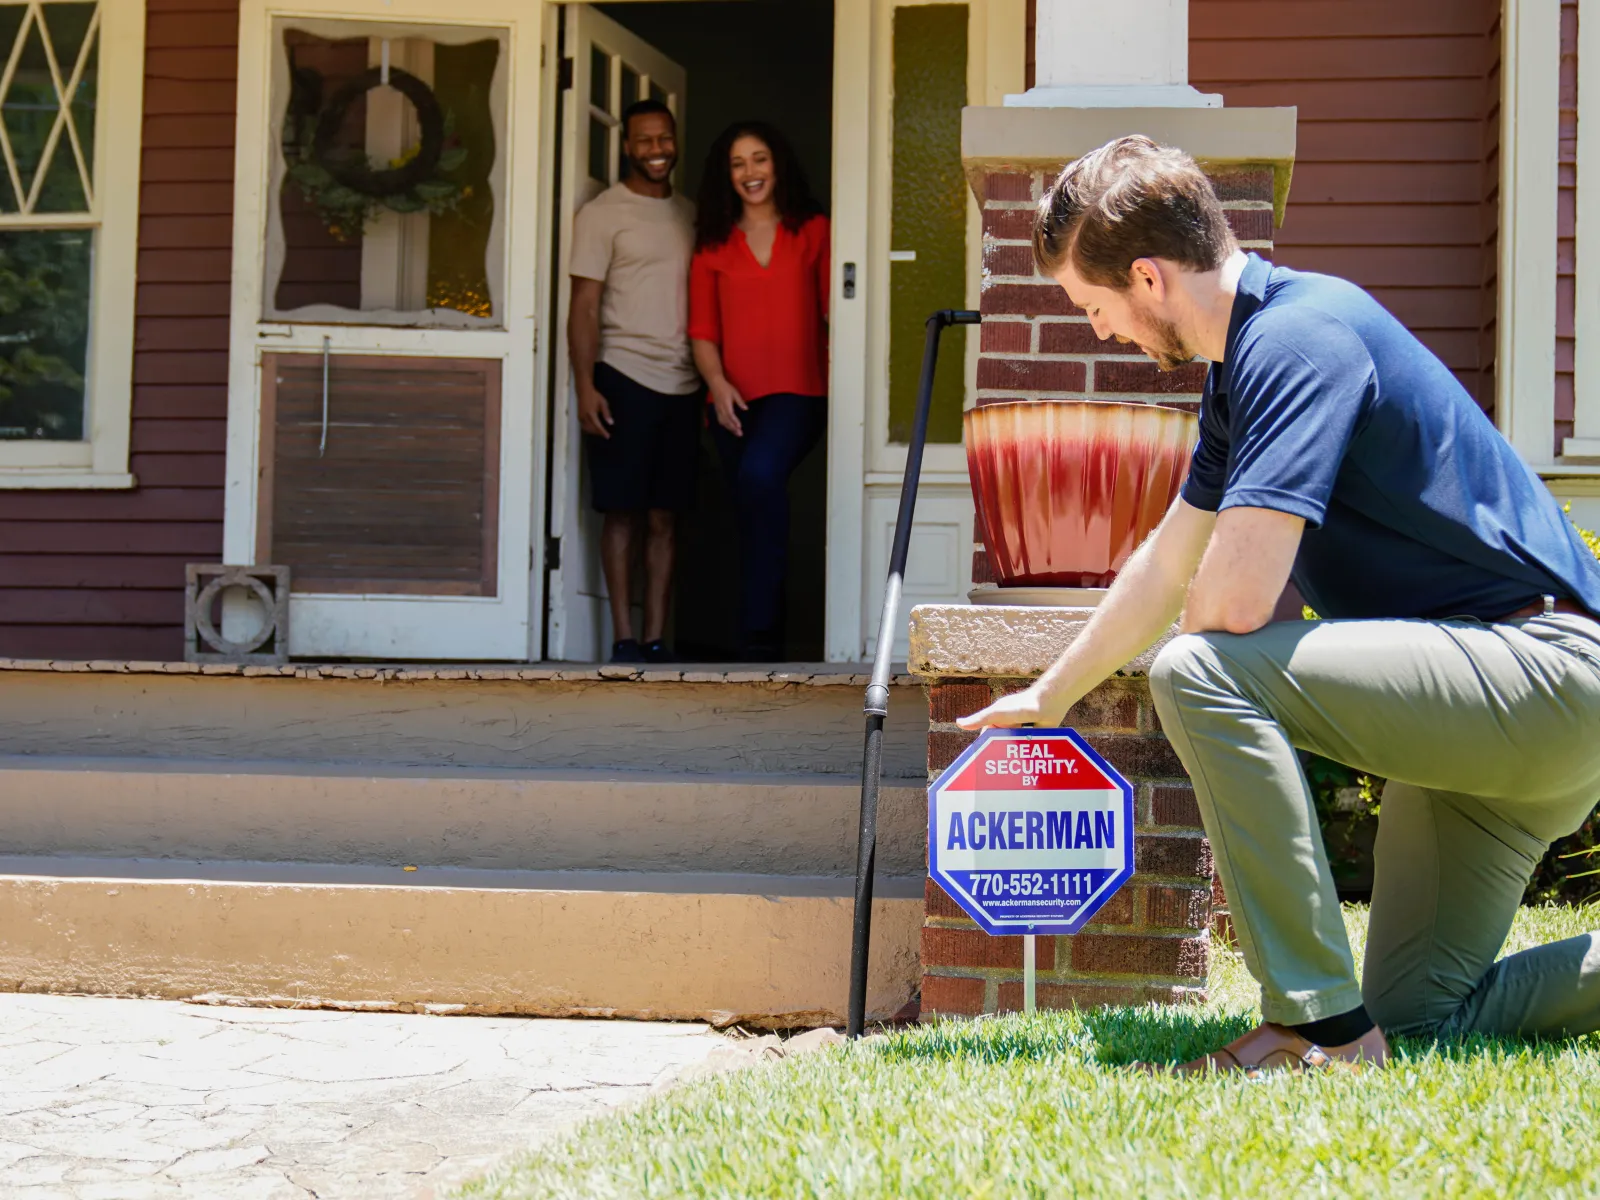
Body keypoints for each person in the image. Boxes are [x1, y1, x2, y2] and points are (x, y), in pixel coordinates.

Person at [959, 135, 1600, 1075]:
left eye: (1094, 309)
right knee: (1423, 1015)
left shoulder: (1300, 340)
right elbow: (1166, 564)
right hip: (1481, 724)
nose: (1100, 333)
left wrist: (1200, 682)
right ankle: (1364, 1025)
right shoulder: (1241, 372)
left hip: (1543, 674)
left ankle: (1320, 1029)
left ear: (1147, 277)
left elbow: (1232, 603)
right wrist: (1050, 696)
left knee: (1198, 669)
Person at [689, 121, 829, 662]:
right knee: (750, 510)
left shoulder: (815, 230)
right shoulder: (712, 245)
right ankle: (758, 632)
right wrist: (718, 385)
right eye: (738, 163)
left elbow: (835, 312)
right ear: (726, 176)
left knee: (760, 477)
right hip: (731, 403)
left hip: (799, 393)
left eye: (760, 159)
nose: (751, 173)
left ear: (779, 164)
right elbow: (702, 330)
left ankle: (761, 636)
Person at [568, 99, 701, 664]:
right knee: (622, 511)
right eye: (645, 141)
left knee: (666, 516)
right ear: (628, 146)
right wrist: (584, 385)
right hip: (621, 374)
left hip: (685, 383)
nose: (656, 151)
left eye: (664, 139)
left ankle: (656, 638)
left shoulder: (691, 213)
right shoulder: (603, 213)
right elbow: (583, 305)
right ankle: (623, 638)